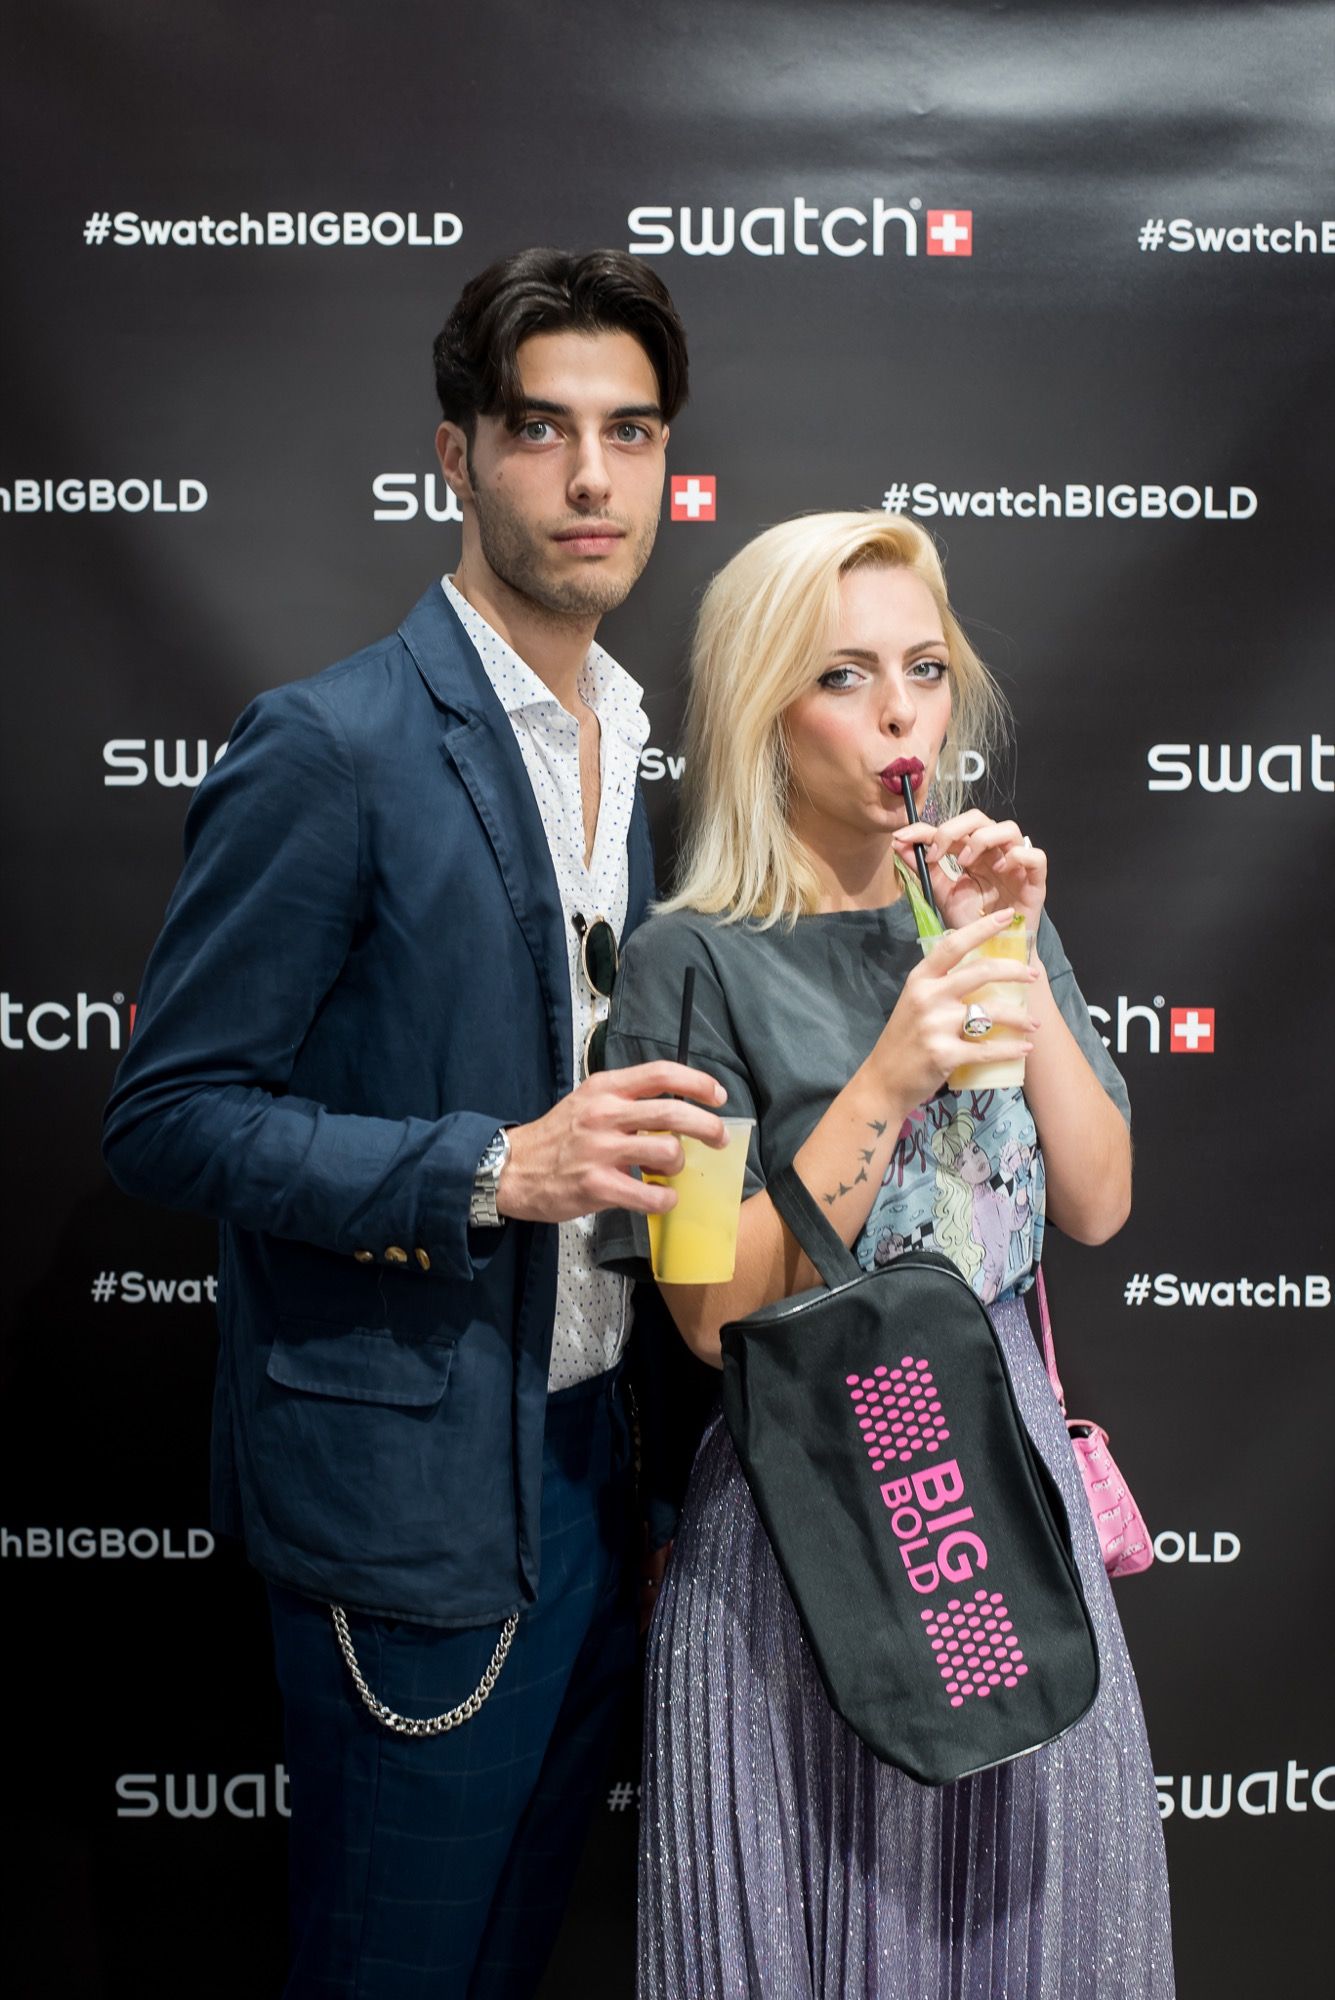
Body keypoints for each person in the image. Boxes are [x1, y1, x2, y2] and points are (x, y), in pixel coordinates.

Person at [102, 247, 729, 2000]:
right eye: (540, 429)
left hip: (603, 1478)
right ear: (455, 454)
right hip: (410, 1508)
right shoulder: (331, 745)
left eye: (629, 432)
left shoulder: (634, 743)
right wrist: (492, 1168)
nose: (591, 478)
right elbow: (169, 1117)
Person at [599, 512, 1175, 1997]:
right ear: (764, 710)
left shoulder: (991, 919)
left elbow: (1099, 1203)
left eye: (925, 668)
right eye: (844, 676)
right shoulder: (687, 963)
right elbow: (711, 1314)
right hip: (819, 1518)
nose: (901, 712)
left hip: (1009, 1506)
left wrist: (1013, 955)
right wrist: (888, 1076)